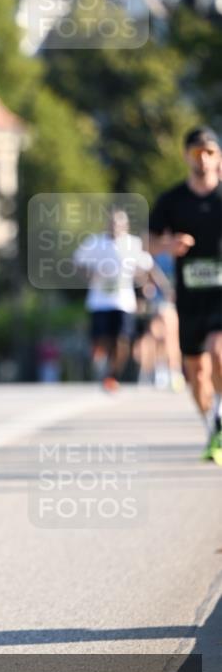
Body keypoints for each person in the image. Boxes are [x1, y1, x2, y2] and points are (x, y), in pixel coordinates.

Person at [149, 126, 222, 464]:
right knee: (197, 374)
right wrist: (169, 246)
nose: (203, 159)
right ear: (186, 156)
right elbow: (148, 243)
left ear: (218, 157)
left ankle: (220, 417)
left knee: (218, 351)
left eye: (209, 152)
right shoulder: (171, 200)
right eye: (197, 153)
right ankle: (213, 426)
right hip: (190, 297)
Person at [73, 208, 154, 391]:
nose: (115, 227)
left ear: (126, 226)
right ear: (107, 224)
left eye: (119, 223)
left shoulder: (133, 244)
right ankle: (100, 362)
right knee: (101, 339)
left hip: (123, 300)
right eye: (112, 223)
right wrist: (88, 275)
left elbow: (146, 266)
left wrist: (143, 283)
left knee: (122, 340)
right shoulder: (94, 243)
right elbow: (77, 261)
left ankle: (112, 375)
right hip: (99, 300)